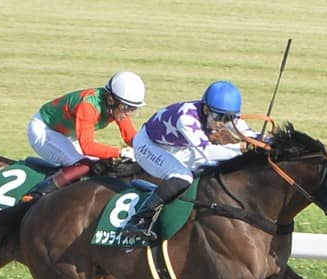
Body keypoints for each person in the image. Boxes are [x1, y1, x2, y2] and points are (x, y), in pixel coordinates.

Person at [122, 80, 265, 240]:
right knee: (183, 177)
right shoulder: (187, 119)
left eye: (228, 119)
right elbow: (208, 152)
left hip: (176, 147)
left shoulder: (220, 114)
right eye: (219, 117)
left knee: (213, 167)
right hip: (148, 145)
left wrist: (269, 142)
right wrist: (242, 148)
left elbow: (251, 135)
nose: (222, 123)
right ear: (205, 109)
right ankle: (138, 219)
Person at [23, 71, 145, 199]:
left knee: (100, 165)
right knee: (82, 164)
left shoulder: (117, 107)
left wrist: (149, 151)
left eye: (133, 109)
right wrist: (120, 152)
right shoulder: (88, 106)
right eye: (126, 107)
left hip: (66, 134)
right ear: (111, 100)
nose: (128, 113)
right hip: (44, 129)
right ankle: (35, 195)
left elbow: (130, 137)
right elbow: (87, 147)